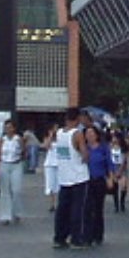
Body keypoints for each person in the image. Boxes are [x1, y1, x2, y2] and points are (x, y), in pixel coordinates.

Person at [53, 106, 89, 249]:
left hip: (64, 176)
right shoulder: (77, 133)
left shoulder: (59, 133)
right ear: (78, 118)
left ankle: (59, 237)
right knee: (77, 209)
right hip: (78, 176)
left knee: (63, 208)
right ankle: (76, 238)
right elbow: (84, 154)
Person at [0, 119, 26, 225]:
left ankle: (17, 213)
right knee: (5, 191)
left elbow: (24, 151)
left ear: (14, 128)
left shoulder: (18, 139)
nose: (8, 129)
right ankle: (5, 216)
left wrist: (22, 159)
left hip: (16, 164)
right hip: (4, 164)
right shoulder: (1, 140)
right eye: (6, 127)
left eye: (10, 127)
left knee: (16, 190)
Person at [84, 124, 110, 246]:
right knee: (88, 208)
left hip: (99, 180)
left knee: (98, 209)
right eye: (87, 134)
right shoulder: (84, 148)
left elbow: (109, 163)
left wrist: (111, 177)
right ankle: (88, 235)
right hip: (86, 181)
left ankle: (98, 235)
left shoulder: (103, 148)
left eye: (92, 133)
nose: (90, 136)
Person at [108, 130, 129, 212]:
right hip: (113, 167)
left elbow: (124, 160)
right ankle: (116, 205)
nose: (114, 139)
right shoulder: (110, 147)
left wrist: (120, 170)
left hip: (121, 167)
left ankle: (122, 203)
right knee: (115, 187)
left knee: (124, 186)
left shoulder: (123, 147)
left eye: (115, 137)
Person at [42, 122, 60, 212]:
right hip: (50, 163)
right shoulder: (47, 138)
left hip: (59, 164)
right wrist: (50, 136)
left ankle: (59, 203)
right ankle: (52, 203)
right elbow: (46, 146)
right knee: (51, 184)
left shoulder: (61, 138)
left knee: (59, 184)